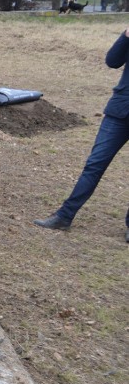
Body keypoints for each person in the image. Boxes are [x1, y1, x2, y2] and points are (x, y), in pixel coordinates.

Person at [35, 28, 129, 243]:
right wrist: (125, 36)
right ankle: (64, 216)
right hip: (119, 111)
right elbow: (112, 61)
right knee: (94, 164)